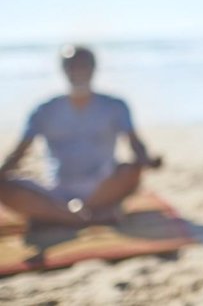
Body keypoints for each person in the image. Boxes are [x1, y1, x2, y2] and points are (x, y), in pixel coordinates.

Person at [0, 45, 162, 226]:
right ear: (64, 70)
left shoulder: (115, 106)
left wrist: (148, 160)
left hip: (102, 187)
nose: (78, 71)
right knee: (4, 187)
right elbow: (19, 152)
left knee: (131, 170)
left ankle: (63, 215)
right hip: (56, 189)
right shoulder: (45, 110)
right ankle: (82, 217)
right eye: (72, 66)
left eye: (83, 66)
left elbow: (136, 145)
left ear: (93, 69)